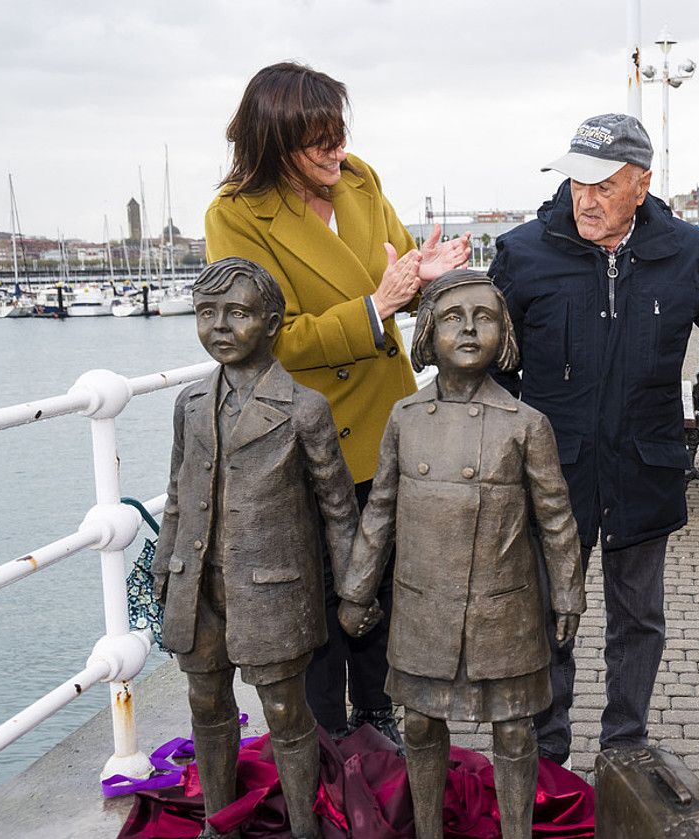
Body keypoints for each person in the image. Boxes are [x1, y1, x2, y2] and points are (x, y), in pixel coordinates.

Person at [204, 61, 470, 745]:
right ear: (272, 141)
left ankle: (378, 721)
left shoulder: (360, 180)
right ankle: (324, 741)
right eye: (318, 141)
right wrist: (376, 307)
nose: (336, 152)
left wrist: (424, 281)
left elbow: (398, 270)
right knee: (318, 599)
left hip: (385, 422)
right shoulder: (236, 215)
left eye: (339, 133)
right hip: (304, 438)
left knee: (383, 582)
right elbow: (265, 339)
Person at [488, 113, 699, 765]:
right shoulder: (523, 253)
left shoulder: (685, 250)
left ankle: (625, 742)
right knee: (550, 616)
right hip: (553, 474)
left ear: (642, 183)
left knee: (639, 619)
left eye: (604, 185)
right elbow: (488, 362)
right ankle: (547, 750)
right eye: (577, 182)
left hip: (644, 466)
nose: (587, 198)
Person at [338, 270, 586, 839]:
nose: (470, 330)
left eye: (486, 317)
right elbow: (380, 513)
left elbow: (555, 519)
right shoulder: (404, 419)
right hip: (425, 605)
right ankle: (427, 830)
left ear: (506, 334)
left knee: (516, 730)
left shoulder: (527, 425)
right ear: (427, 332)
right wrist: (356, 590)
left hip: (503, 608)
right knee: (422, 723)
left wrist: (568, 591)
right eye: (453, 317)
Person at [154, 258, 362, 839]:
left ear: (272, 323)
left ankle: (304, 828)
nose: (220, 326)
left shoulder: (304, 409)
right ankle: (221, 824)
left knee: (286, 713)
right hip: (198, 585)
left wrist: (352, 590)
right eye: (206, 314)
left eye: (238, 314)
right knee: (206, 705)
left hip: (273, 591)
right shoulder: (191, 405)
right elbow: (178, 490)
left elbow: (339, 508)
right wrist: (165, 566)